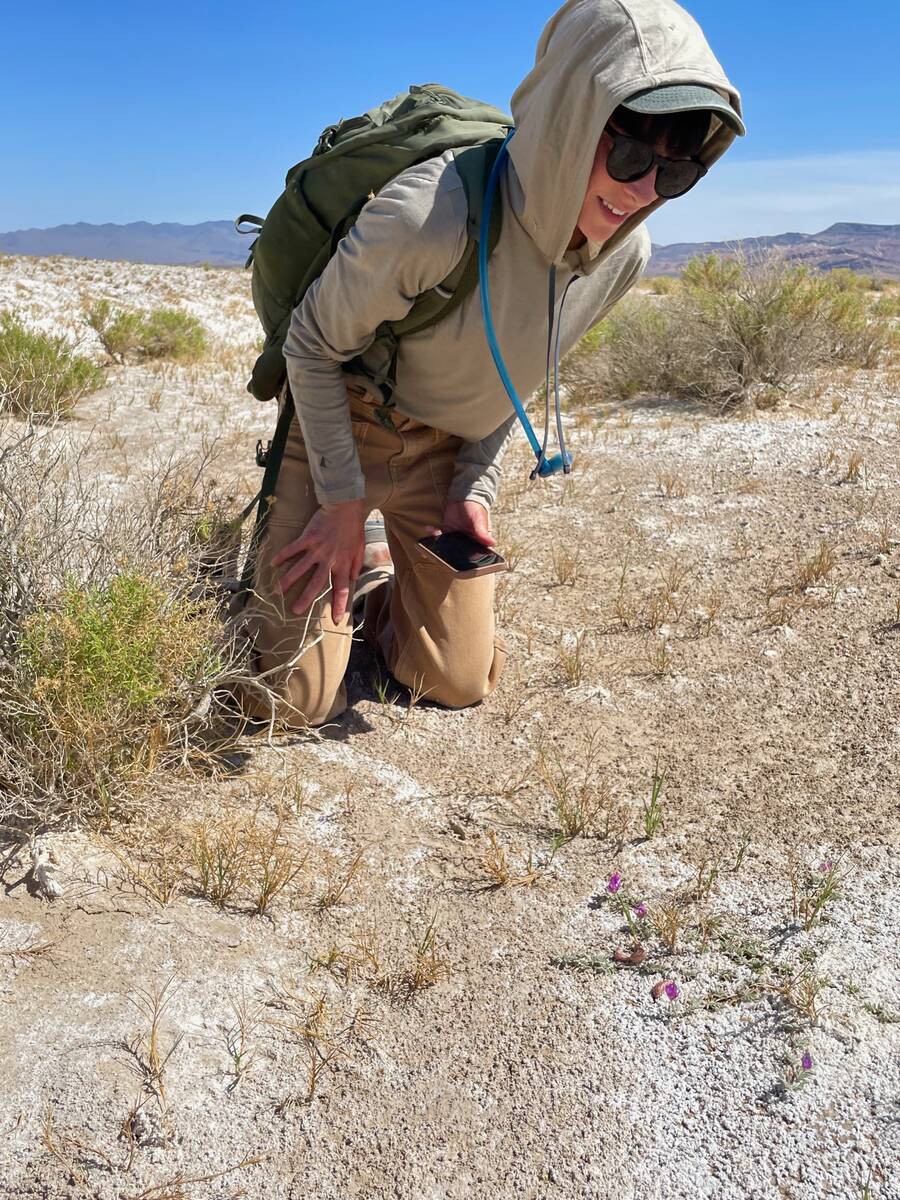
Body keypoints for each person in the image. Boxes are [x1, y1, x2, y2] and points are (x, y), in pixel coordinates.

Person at [237, 0, 744, 729]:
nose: (641, 194)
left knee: (454, 680)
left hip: (443, 448)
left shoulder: (623, 254)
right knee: (291, 701)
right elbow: (311, 346)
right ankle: (318, 551)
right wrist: (344, 500)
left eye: (675, 174)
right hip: (341, 426)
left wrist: (472, 489)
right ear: (570, 125)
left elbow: (517, 375)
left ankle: (378, 581)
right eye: (630, 155)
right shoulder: (433, 212)